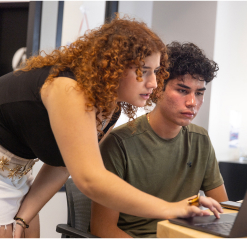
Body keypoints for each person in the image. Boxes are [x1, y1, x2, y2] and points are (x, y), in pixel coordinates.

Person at [0, 16, 222, 238]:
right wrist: (171, 208)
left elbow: (63, 165)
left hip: (16, 174)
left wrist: (23, 216)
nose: (154, 83)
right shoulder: (69, 90)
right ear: (114, 67)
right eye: (144, 71)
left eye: (155, 71)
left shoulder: (107, 109)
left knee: (25, 228)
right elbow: (90, 180)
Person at [91, 42, 228, 238]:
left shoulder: (200, 139)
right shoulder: (119, 143)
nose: (192, 103)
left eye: (199, 93)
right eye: (182, 90)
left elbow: (223, 211)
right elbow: (103, 229)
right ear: (157, 89)